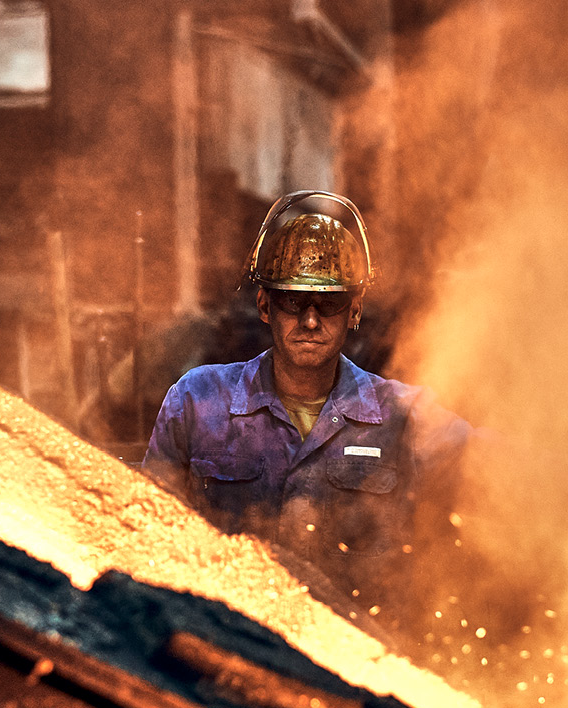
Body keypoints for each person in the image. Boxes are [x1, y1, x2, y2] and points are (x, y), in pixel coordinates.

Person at [142, 190, 484, 624]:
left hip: (354, 661)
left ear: (354, 310)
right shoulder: (199, 403)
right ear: (265, 306)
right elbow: (146, 529)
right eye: (292, 301)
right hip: (223, 647)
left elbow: (492, 468)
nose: (309, 320)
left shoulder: (403, 416)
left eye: (329, 303)